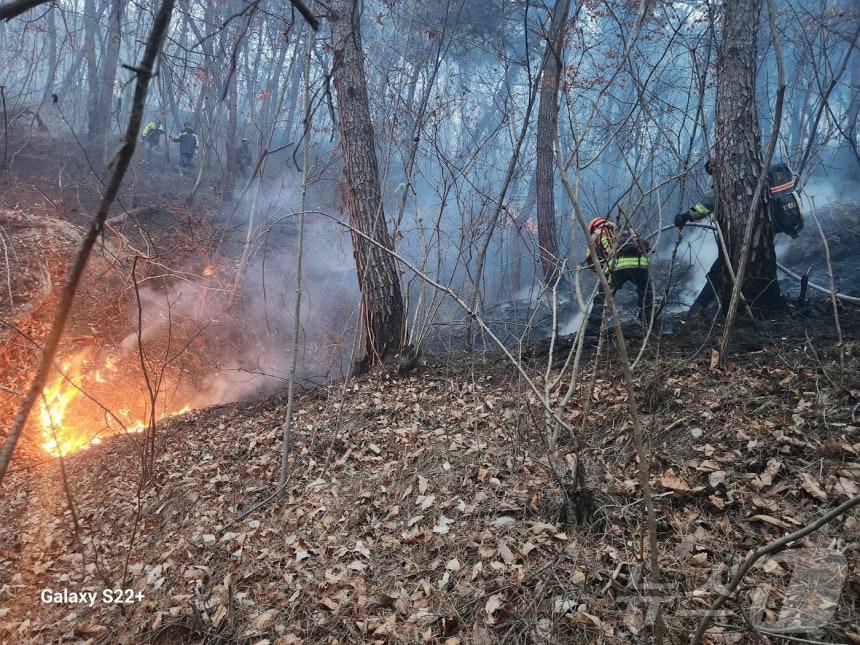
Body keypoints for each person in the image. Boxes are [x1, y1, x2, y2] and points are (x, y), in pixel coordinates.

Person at [583, 217, 653, 334]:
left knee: (602, 299)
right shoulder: (628, 230)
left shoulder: (598, 232)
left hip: (615, 268)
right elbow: (644, 246)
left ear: (594, 227)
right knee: (646, 295)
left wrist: (600, 274)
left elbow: (590, 257)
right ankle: (649, 324)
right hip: (640, 266)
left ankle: (593, 330)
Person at [674, 159, 722, 317]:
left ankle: (695, 312)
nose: (712, 176)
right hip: (751, 237)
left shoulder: (724, 186)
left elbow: (705, 206)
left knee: (717, 274)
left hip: (737, 240)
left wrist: (686, 216)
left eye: (712, 172)